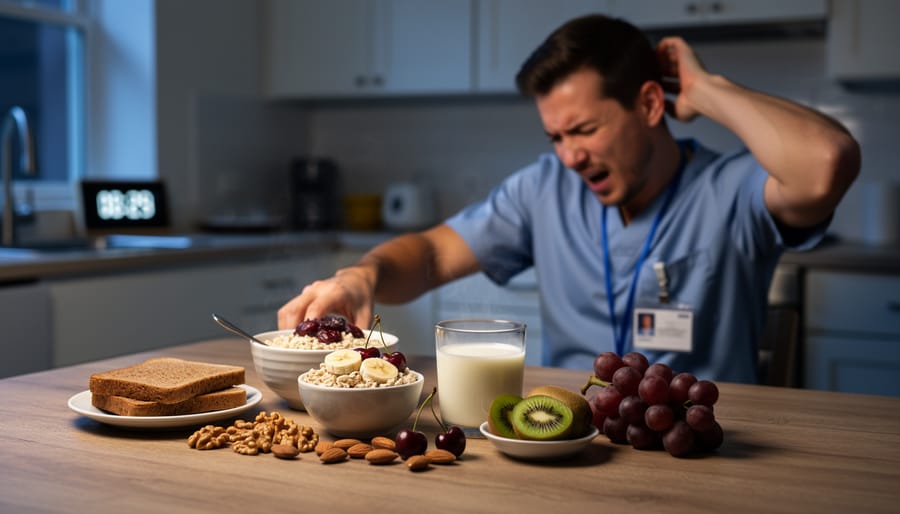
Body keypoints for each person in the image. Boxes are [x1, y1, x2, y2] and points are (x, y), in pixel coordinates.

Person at [278, 14, 860, 383]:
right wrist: (362, 276)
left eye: (584, 131)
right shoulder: (544, 190)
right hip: (564, 434)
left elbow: (826, 163)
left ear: (651, 105)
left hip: (696, 444)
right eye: (556, 137)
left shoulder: (729, 189)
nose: (570, 157)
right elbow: (431, 255)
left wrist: (708, 90)